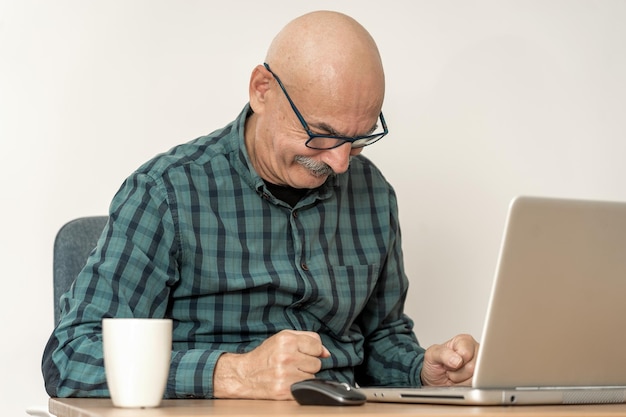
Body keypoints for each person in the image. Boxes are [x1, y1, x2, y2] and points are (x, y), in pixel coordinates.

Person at [42, 10, 478, 400]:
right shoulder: (166, 192)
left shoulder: (374, 193)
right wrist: (235, 374)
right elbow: (71, 355)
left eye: (359, 139)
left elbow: (379, 335)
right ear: (262, 90)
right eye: (322, 134)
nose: (341, 163)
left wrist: (421, 369)